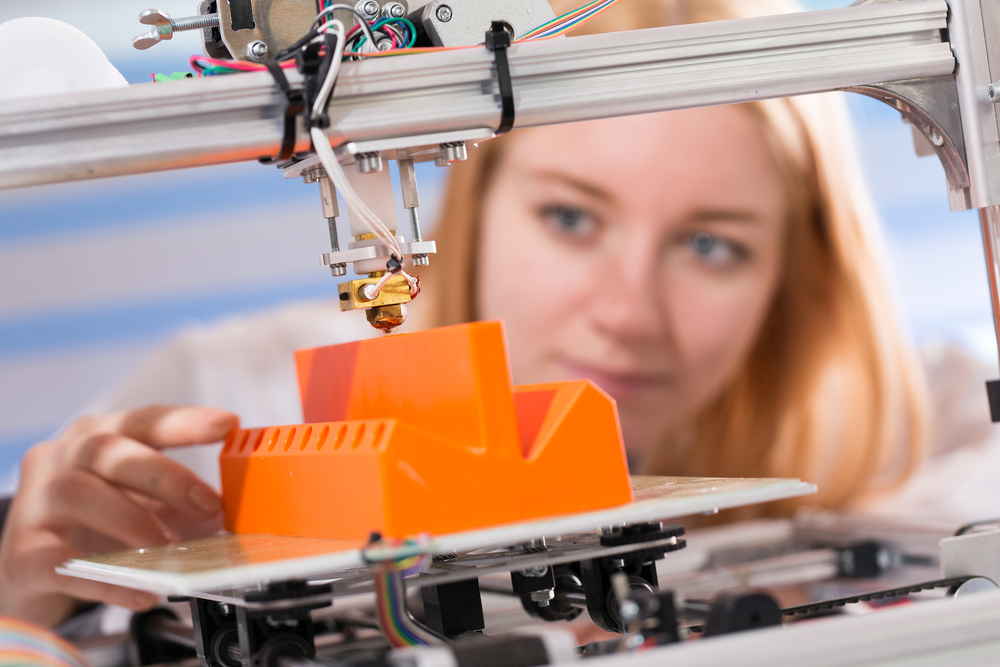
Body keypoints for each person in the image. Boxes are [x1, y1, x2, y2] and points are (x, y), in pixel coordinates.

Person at [1, 0, 991, 631]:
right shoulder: (215, 406)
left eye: (709, 244)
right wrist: (21, 602)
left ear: (798, 270)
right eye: (570, 217)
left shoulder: (939, 417)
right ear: (473, 206)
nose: (625, 312)